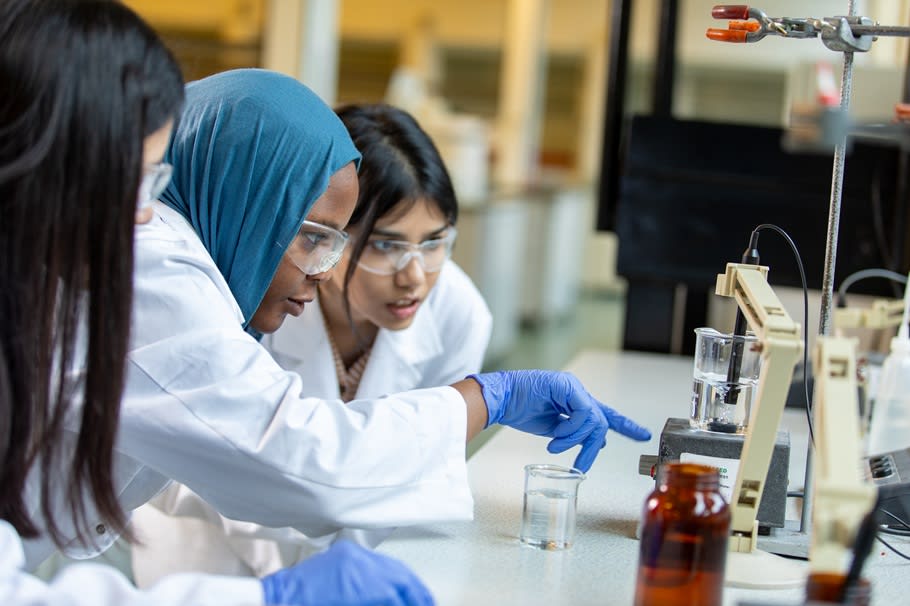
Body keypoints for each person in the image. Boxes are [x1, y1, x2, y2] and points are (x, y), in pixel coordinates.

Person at [0, 2, 433, 605]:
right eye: (131, 177)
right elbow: (290, 453)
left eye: (153, 181)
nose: (145, 216)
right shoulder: (157, 270)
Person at [130, 103, 494, 581]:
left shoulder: (458, 313)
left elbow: (419, 467)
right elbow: (220, 458)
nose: (414, 277)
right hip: (210, 560)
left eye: (433, 243)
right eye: (384, 245)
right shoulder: (246, 293)